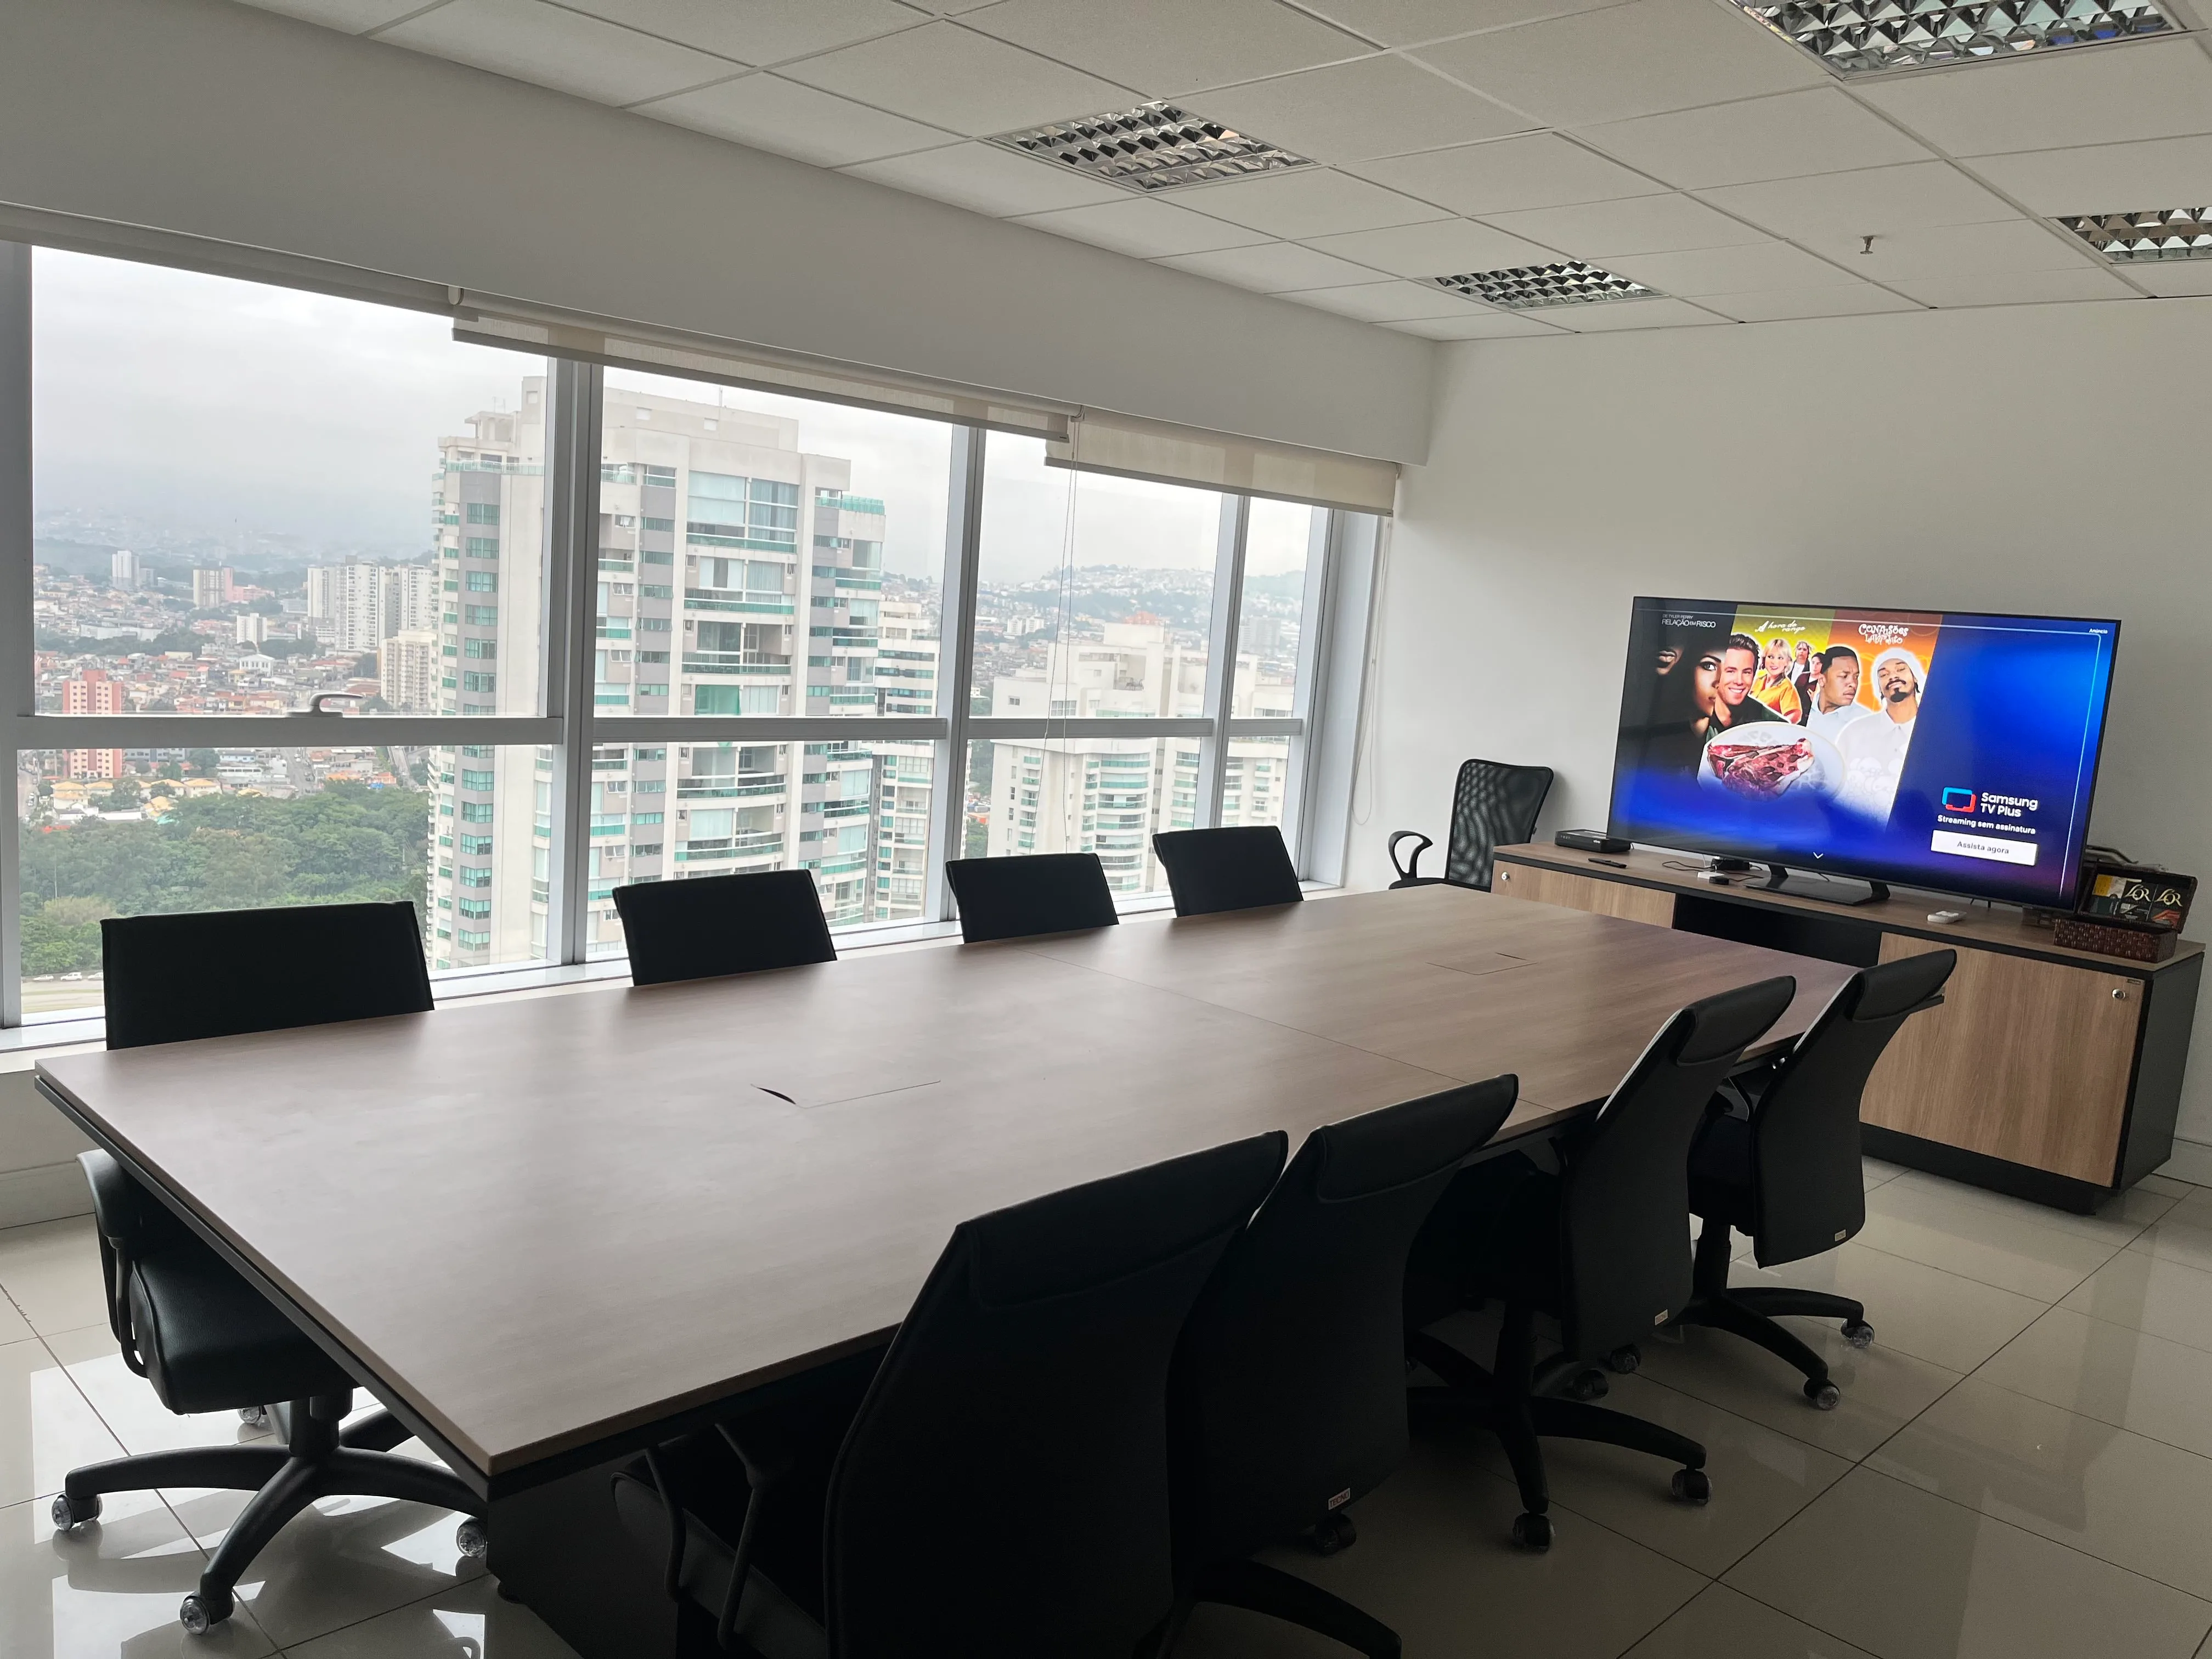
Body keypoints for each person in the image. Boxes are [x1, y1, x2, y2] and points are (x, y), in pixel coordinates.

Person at [1835, 647, 1923, 822]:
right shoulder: (1854, 732)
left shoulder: (1937, 732)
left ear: (1915, 677)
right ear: (1880, 689)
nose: (1892, 677)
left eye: (1900, 669)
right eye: (1884, 675)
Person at [1805, 645, 1872, 744]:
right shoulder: (1802, 708)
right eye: (1844, 676)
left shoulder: (1866, 722)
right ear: (1822, 680)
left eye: (1856, 677)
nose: (1853, 684)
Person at [1752, 636, 1804, 723]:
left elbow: (1795, 715)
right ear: (1764, 659)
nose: (1775, 662)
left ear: (1787, 662)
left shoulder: (1787, 688)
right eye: (1771, 657)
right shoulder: (1758, 681)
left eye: (1780, 658)